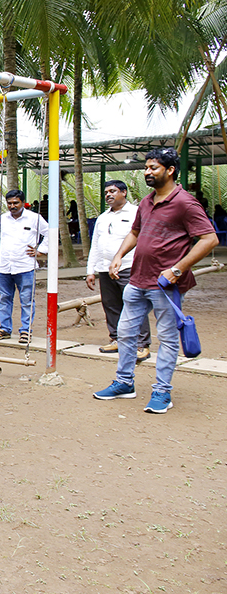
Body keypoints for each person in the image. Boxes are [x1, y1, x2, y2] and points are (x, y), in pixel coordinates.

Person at [93, 148, 217, 413]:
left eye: (154, 168)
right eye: (146, 167)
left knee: (168, 339)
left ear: (170, 170)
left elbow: (209, 239)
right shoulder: (147, 202)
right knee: (125, 333)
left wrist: (178, 269)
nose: (147, 172)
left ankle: (162, 392)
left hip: (165, 285)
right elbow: (135, 232)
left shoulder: (185, 203)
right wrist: (119, 255)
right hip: (137, 280)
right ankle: (125, 383)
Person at [85, 180, 150, 361]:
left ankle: (141, 344)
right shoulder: (103, 217)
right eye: (106, 192)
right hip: (105, 268)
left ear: (124, 192)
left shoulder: (137, 213)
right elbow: (96, 245)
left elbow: (143, 239)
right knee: (111, 305)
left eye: (113, 191)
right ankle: (116, 339)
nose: (108, 195)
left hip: (129, 267)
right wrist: (91, 270)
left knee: (135, 304)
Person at [0, 189, 48, 345]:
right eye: (9, 203)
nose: (12, 206)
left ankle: (26, 330)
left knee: (26, 299)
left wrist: (40, 251)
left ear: (22, 202)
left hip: (25, 266)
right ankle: (5, 329)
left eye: (15, 203)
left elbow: (50, 233)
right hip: (4, 266)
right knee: (4, 298)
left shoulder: (34, 218)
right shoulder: (2, 219)